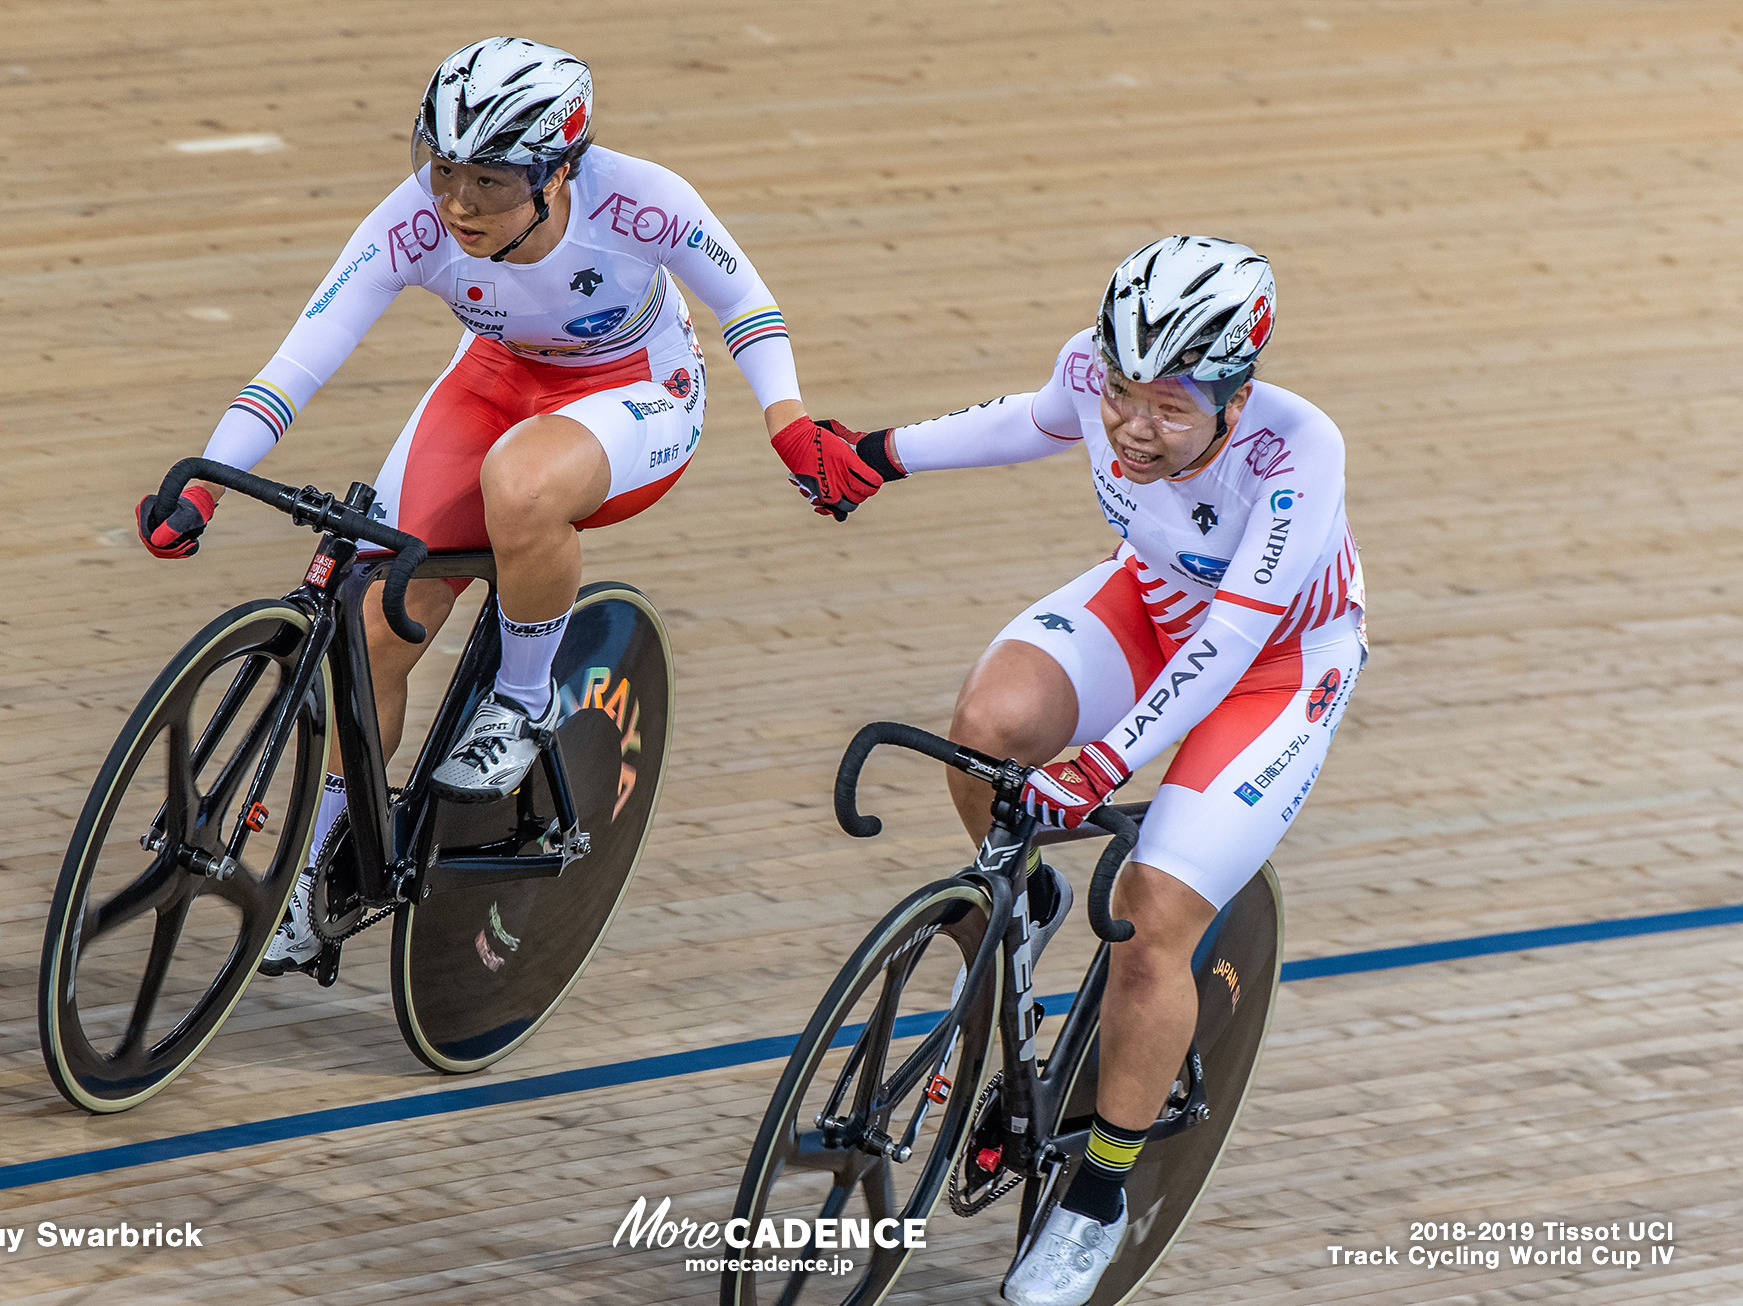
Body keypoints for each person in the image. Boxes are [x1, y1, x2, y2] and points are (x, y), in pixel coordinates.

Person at [134, 37, 887, 973]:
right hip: (496, 379)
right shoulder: (414, 221)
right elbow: (300, 361)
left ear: (559, 170)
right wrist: (208, 475)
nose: (456, 205)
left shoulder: (638, 199)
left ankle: (522, 703)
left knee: (520, 486)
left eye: (489, 182)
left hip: (637, 390)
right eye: (443, 169)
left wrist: (790, 424)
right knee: (373, 634)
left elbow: (747, 305)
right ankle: (318, 867)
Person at [832, 236, 1364, 1305]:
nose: (1130, 426)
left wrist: (1108, 761)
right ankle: (1024, 898)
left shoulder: (1296, 453)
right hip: (1154, 601)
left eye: (1170, 407)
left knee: (1150, 915)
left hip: (1268, 666)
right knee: (985, 724)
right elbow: (1024, 422)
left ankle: (1098, 1197)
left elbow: (1227, 645)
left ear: (1235, 394)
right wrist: (877, 453)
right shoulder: (1091, 376)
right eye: (1121, 392)